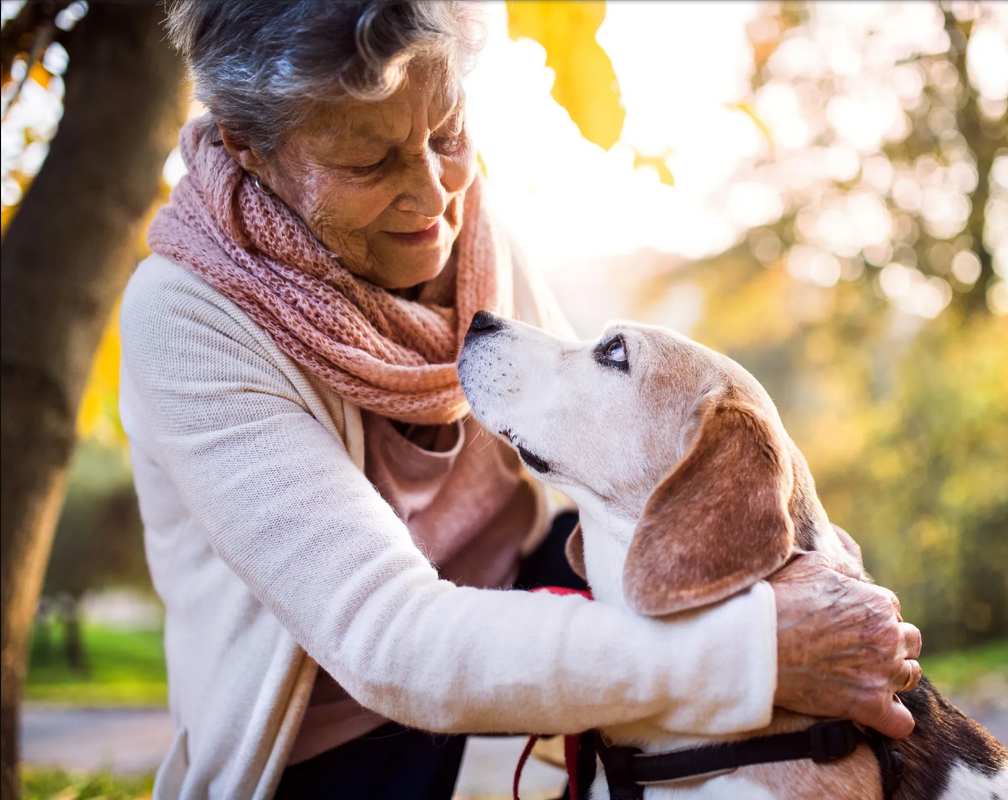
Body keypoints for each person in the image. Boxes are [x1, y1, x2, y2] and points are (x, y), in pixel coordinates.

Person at [118, 2, 923, 797]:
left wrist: (815, 586)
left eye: (446, 133)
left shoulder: (468, 224)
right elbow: (388, 641)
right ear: (246, 146)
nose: (434, 196)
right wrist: (753, 650)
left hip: (532, 588)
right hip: (338, 739)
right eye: (369, 162)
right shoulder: (185, 319)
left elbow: (597, 445)